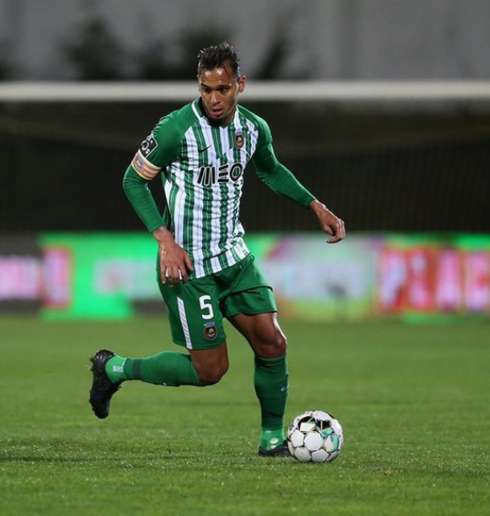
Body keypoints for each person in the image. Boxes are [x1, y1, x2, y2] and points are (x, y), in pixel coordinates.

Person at [88, 42, 346, 456]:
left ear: (239, 84)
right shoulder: (176, 129)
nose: (213, 98)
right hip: (188, 268)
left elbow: (271, 169)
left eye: (222, 89)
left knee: (272, 343)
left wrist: (315, 205)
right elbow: (132, 180)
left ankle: (272, 440)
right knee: (211, 371)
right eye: (206, 89)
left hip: (234, 257)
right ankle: (114, 368)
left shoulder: (254, 129)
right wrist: (164, 240)